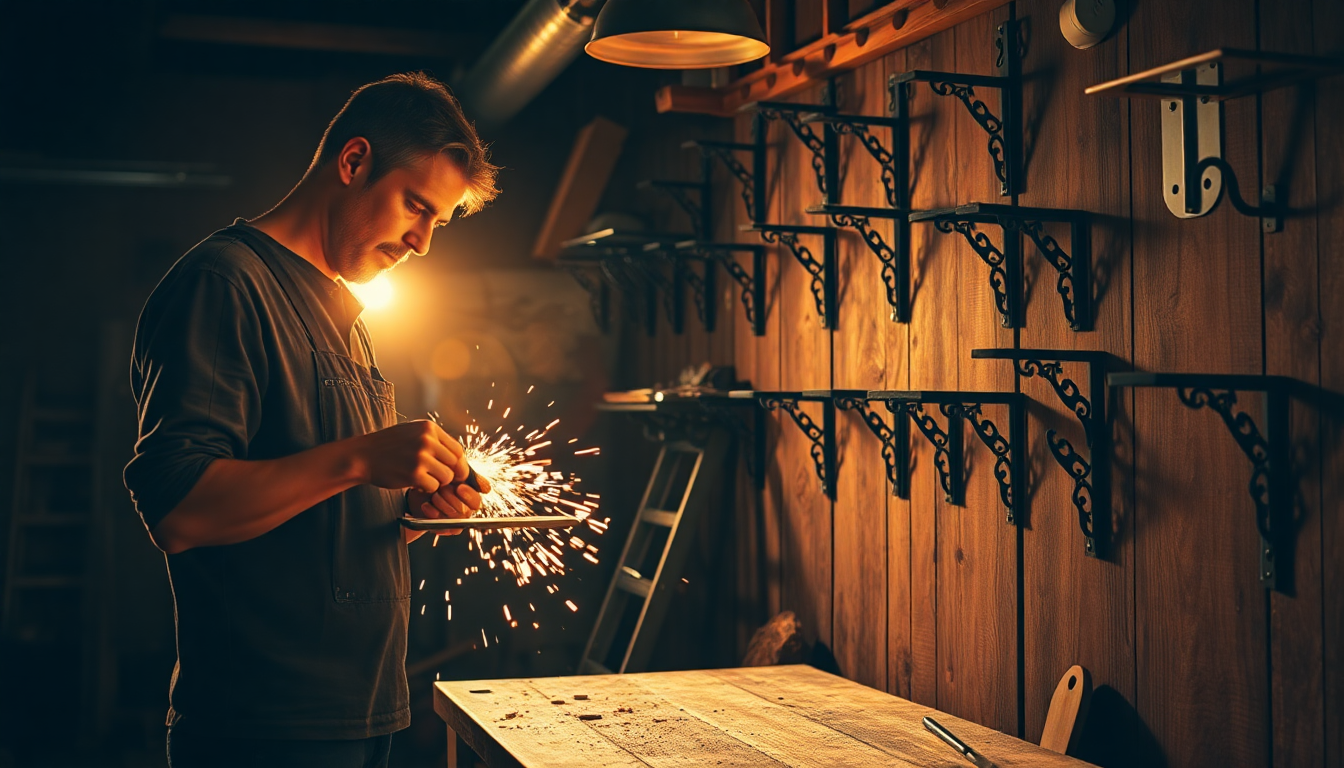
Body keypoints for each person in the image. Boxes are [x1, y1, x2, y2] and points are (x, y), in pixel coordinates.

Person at [123, 72, 500, 768]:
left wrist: (412, 512)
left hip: (364, 712)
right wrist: (360, 459)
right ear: (353, 162)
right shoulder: (225, 284)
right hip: (266, 729)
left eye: (437, 224)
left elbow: (317, 516)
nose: (421, 243)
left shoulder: (348, 319)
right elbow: (178, 511)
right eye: (415, 207)